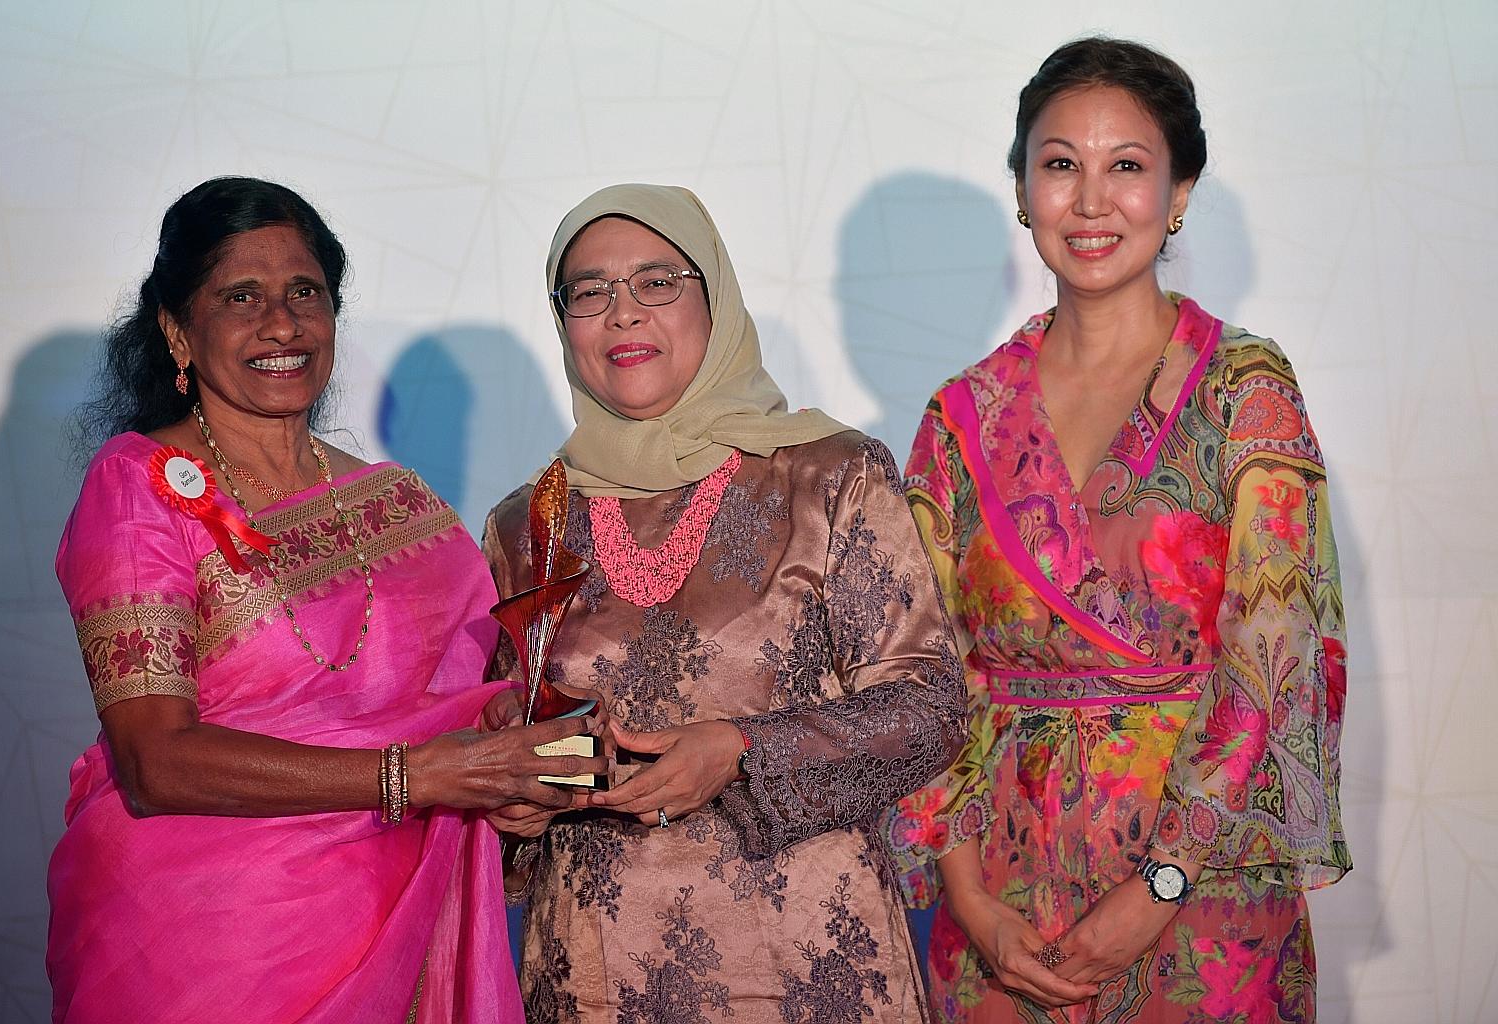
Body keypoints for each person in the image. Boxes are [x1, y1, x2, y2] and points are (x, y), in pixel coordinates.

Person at [48, 176, 606, 1024]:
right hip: (208, 947)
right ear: (177, 330)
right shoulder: (140, 487)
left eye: (305, 292)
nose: (282, 324)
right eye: (241, 296)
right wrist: (420, 774)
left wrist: (504, 747)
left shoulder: (400, 504)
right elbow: (153, 762)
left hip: (397, 918)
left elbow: (467, 694)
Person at [886, 38, 1351, 1023]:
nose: (1091, 200)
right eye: (1061, 164)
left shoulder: (1245, 389)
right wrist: (970, 900)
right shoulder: (961, 416)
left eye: (1126, 166)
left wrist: (1161, 887)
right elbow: (920, 672)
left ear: (1179, 193)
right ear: (1024, 190)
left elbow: (1276, 653)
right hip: (1001, 904)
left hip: (1204, 894)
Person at [481, 182, 967, 1022]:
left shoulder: (828, 475)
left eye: (657, 281)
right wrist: (512, 801)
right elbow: (501, 741)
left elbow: (931, 709)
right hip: (596, 970)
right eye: (589, 291)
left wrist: (740, 750)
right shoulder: (528, 523)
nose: (623, 313)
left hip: (808, 964)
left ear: (715, 298)